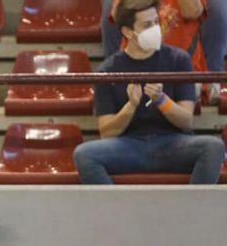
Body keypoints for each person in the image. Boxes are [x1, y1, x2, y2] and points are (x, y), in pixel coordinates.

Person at [75, 0, 224, 184]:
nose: (155, 30)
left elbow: (186, 121)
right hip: (129, 145)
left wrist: (162, 101)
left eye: (155, 23)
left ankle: (190, 211)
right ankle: (116, 210)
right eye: (147, 25)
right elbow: (107, 132)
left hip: (173, 142)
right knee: (84, 155)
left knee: (213, 147)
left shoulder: (179, 60)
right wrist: (131, 106)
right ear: (128, 32)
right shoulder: (107, 71)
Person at [101, 0, 225, 103]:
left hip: (181, 73)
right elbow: (118, 15)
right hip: (138, 72)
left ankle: (213, 78)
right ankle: (113, 80)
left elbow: (192, 11)